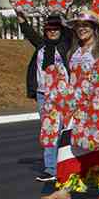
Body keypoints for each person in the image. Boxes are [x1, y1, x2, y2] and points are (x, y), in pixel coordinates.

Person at [41, 10, 99, 199]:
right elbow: (72, 78)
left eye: (86, 26)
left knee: (95, 146)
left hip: (93, 104)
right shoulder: (74, 51)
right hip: (75, 105)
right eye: (78, 26)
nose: (81, 29)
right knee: (68, 144)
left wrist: (98, 101)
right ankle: (65, 188)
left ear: (95, 29)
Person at [20, 13, 72, 182]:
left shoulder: (66, 46)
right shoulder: (41, 47)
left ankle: (68, 165)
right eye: (49, 30)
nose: (52, 32)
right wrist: (21, 20)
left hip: (63, 95)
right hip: (44, 95)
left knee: (65, 130)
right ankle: (51, 169)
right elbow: (29, 33)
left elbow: (71, 32)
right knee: (49, 131)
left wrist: (63, 16)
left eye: (56, 29)